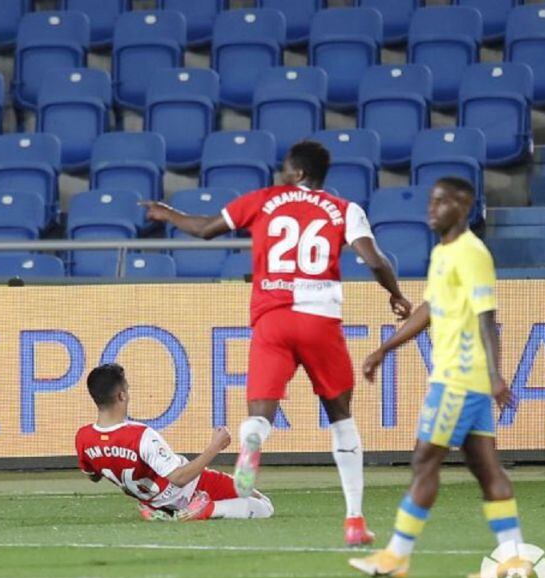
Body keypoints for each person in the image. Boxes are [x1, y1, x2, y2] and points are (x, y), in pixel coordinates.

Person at [141, 141, 412, 545]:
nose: (281, 174)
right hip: (320, 320)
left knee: (260, 413)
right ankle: (355, 519)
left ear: (299, 174)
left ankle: (253, 438)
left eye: (286, 169)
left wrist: (168, 213)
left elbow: (204, 229)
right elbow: (375, 260)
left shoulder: (264, 201)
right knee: (341, 420)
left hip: (272, 319)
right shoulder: (345, 210)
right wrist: (395, 293)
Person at [349, 177, 527, 578]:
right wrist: (384, 349)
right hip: (462, 379)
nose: (432, 208)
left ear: (464, 206)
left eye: (442, 202)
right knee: (486, 468)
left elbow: (487, 319)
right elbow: (429, 308)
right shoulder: (442, 253)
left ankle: (396, 555)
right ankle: (514, 557)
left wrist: (497, 377)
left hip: (460, 379)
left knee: (424, 459)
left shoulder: (471, 254)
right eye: (431, 201)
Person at [75, 364, 274, 521]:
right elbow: (179, 478)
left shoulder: (84, 438)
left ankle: (161, 511)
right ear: (122, 395)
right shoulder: (140, 435)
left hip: (155, 499)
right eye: (127, 388)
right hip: (191, 487)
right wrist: (215, 446)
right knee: (264, 506)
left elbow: (93, 476)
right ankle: (205, 509)